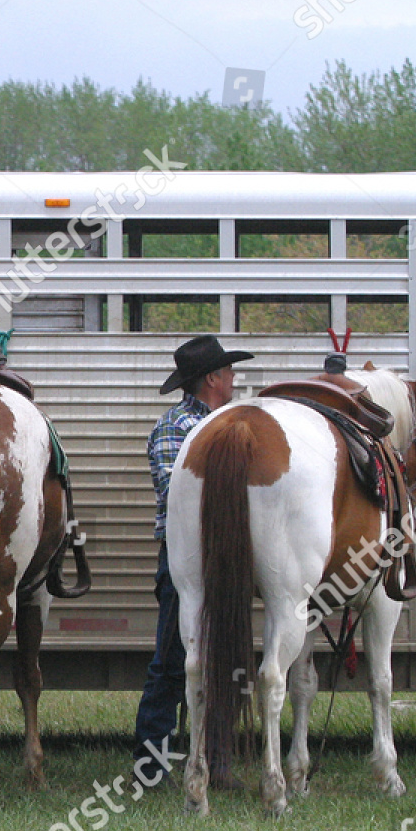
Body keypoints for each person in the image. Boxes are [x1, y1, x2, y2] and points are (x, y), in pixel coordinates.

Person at [133, 335, 252, 788]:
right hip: (184, 558)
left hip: (225, 557)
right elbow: (174, 493)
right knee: (171, 658)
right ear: (212, 379)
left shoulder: (232, 424)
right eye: (229, 372)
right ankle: (151, 766)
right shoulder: (175, 428)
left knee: (224, 658)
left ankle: (215, 760)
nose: (235, 379)